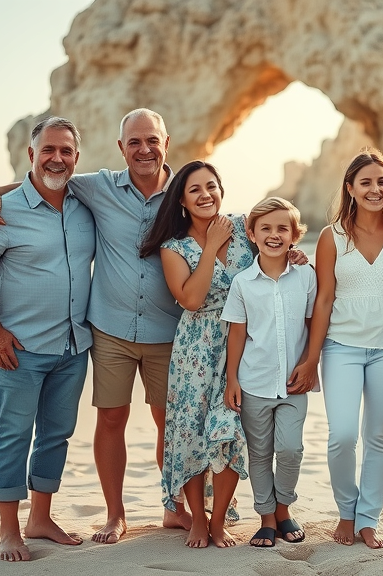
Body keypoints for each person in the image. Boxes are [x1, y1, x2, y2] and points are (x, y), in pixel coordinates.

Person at [0, 109, 192, 543]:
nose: (144, 149)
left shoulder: (183, 193)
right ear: (120, 148)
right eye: (134, 142)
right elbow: (42, 180)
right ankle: (115, 515)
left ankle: (174, 506)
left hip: (167, 330)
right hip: (108, 330)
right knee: (109, 419)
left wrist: (289, 254)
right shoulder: (99, 187)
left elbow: (224, 222)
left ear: (166, 143)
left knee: (170, 422)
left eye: (152, 140)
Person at [0, 117, 94, 562]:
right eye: (48, 150)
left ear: (77, 157)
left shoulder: (84, 203)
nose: (57, 158)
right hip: (20, 349)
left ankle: (41, 517)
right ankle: (8, 529)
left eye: (66, 151)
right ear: (31, 156)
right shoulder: (5, 209)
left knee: (56, 434)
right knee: (14, 435)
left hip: (74, 347)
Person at [294, 148, 383, 549]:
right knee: (342, 435)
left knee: (378, 437)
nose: (375, 189)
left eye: (382, 182)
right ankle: (346, 510)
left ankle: (368, 519)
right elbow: (323, 299)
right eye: (366, 182)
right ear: (351, 188)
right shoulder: (332, 237)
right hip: (340, 346)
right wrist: (311, 359)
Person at [138, 160, 253, 549]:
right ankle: (198, 522)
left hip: (241, 343)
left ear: (221, 190)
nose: (206, 195)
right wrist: (211, 249)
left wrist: (295, 259)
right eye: (195, 190)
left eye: (212, 187)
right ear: (183, 202)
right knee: (189, 434)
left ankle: (219, 520)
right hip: (196, 348)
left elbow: (277, 244)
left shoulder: (244, 227)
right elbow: (190, 297)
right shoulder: (174, 247)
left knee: (231, 432)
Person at [221, 197, 318, 548]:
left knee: (290, 449)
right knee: (259, 453)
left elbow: (313, 323)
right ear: (252, 233)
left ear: (295, 235)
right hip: (254, 382)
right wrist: (232, 379)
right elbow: (237, 333)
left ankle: (283, 507)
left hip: (294, 384)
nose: (274, 235)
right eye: (266, 228)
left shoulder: (306, 276)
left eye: (282, 228)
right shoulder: (243, 283)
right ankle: (266, 518)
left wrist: (310, 363)